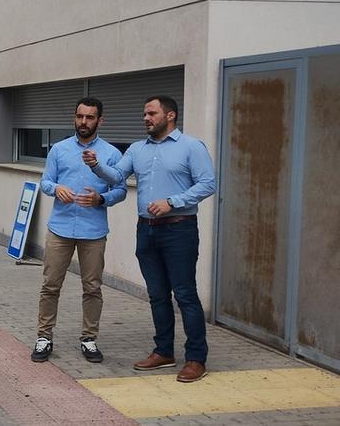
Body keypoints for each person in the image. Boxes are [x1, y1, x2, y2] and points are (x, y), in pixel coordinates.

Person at [83, 95, 216, 383]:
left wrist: (173, 201)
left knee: (185, 294)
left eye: (151, 113)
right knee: (157, 295)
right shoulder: (136, 149)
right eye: (144, 113)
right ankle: (164, 352)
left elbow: (208, 184)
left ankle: (196, 358)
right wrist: (96, 165)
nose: (146, 118)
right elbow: (117, 175)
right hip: (147, 230)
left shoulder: (191, 147)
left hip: (179, 229)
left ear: (170, 116)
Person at [32, 98, 127, 364]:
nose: (83, 122)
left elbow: (120, 190)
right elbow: (45, 181)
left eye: (90, 117)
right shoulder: (59, 150)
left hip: (93, 230)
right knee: (50, 286)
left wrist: (101, 199)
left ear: (100, 121)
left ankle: (89, 339)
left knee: (93, 288)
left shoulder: (111, 154)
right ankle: (44, 337)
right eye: (80, 116)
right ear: (74, 118)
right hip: (60, 228)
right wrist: (55, 189)